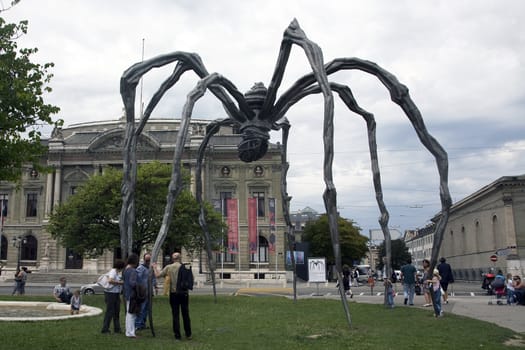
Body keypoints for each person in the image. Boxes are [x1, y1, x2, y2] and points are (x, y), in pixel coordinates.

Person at [154, 252, 192, 341]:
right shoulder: (185, 266)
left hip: (174, 293)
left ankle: (177, 335)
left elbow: (157, 275)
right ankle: (188, 334)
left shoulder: (169, 267)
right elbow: (191, 279)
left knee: (175, 314)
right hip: (184, 293)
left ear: (172, 258)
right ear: (180, 258)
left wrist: (154, 267)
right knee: (185, 313)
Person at [101, 259, 126, 334]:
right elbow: (110, 281)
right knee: (110, 311)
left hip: (115, 294)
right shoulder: (113, 272)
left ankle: (117, 328)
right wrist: (120, 283)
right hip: (110, 294)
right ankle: (105, 329)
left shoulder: (117, 272)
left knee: (116, 311)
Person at [135, 253, 157, 331]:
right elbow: (137, 279)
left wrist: (155, 286)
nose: (148, 261)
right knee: (141, 308)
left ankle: (143, 323)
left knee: (146, 309)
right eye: (147, 260)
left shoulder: (151, 268)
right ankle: (138, 324)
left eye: (149, 260)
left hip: (149, 292)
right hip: (143, 292)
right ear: (144, 260)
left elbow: (153, 278)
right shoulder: (140, 268)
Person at [123, 253, 139, 338]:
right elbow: (132, 283)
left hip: (127, 293)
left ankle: (129, 331)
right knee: (132, 314)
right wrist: (139, 286)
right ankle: (130, 333)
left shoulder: (126, 270)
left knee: (129, 314)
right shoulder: (133, 270)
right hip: (132, 294)